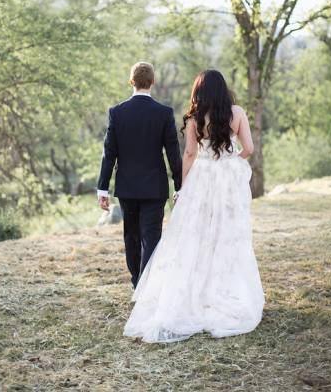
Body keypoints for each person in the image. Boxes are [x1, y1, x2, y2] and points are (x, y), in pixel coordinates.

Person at [123, 69, 265, 343]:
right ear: (222, 88)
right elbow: (248, 148)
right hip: (224, 177)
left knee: (195, 234)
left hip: (202, 176)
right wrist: (230, 158)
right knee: (226, 233)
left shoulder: (194, 117)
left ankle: (193, 292)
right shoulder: (237, 113)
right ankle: (224, 288)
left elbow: (189, 154)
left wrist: (183, 188)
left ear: (199, 90)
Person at [97, 61, 182, 289]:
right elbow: (173, 153)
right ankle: (147, 285)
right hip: (155, 188)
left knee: (132, 237)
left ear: (131, 82)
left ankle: (138, 282)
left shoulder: (117, 113)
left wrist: (102, 188)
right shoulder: (164, 113)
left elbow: (109, 153)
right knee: (151, 237)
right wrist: (180, 185)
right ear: (153, 82)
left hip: (127, 187)